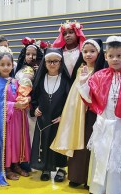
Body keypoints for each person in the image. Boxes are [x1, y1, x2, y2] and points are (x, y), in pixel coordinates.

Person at [78, 36, 121, 194]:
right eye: (111, 56)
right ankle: (97, 187)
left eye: (119, 56)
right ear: (105, 56)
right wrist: (83, 83)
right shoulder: (98, 76)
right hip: (103, 124)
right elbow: (89, 98)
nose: (115, 59)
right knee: (100, 156)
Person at [50, 39, 106, 188]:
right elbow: (74, 93)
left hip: (93, 112)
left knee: (90, 145)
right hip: (78, 112)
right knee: (77, 143)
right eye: (85, 51)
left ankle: (89, 179)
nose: (88, 54)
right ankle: (76, 176)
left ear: (99, 53)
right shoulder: (81, 70)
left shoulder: (102, 72)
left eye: (92, 51)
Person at [0, 52, 31, 186]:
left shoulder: (16, 81)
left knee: (17, 142)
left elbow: (23, 93)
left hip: (18, 118)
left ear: (12, 65)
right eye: (2, 65)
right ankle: (7, 168)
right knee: (8, 143)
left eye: (8, 64)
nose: (6, 67)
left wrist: (27, 99)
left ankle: (17, 164)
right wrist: (14, 104)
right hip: (5, 121)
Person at [29, 48, 70, 181]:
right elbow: (33, 97)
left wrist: (64, 116)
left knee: (60, 142)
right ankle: (45, 167)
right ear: (45, 63)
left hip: (59, 118)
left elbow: (70, 101)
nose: (52, 64)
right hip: (44, 117)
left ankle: (61, 168)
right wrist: (34, 108)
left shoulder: (65, 80)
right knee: (44, 141)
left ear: (60, 62)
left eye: (56, 61)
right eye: (49, 61)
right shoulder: (40, 79)